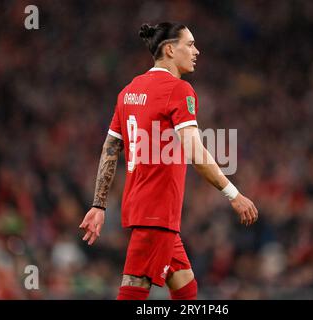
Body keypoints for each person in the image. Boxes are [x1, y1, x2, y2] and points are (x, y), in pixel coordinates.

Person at [79, 22, 259, 300]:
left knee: (186, 289)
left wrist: (98, 204)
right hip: (157, 212)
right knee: (133, 290)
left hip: (144, 209)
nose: (196, 51)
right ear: (170, 49)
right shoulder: (179, 90)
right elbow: (196, 153)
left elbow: (110, 149)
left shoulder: (128, 91)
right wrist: (233, 194)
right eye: (190, 44)